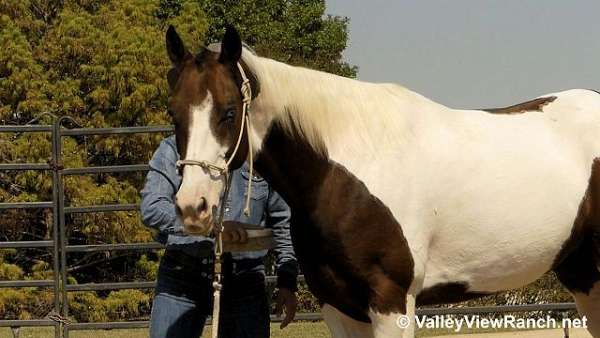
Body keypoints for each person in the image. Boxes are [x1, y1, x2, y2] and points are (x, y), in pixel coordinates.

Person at [141, 135, 298, 338]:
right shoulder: (176, 147)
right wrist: (211, 226)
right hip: (181, 275)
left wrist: (287, 281)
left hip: (245, 279)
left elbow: (283, 222)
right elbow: (152, 208)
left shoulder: (262, 153)